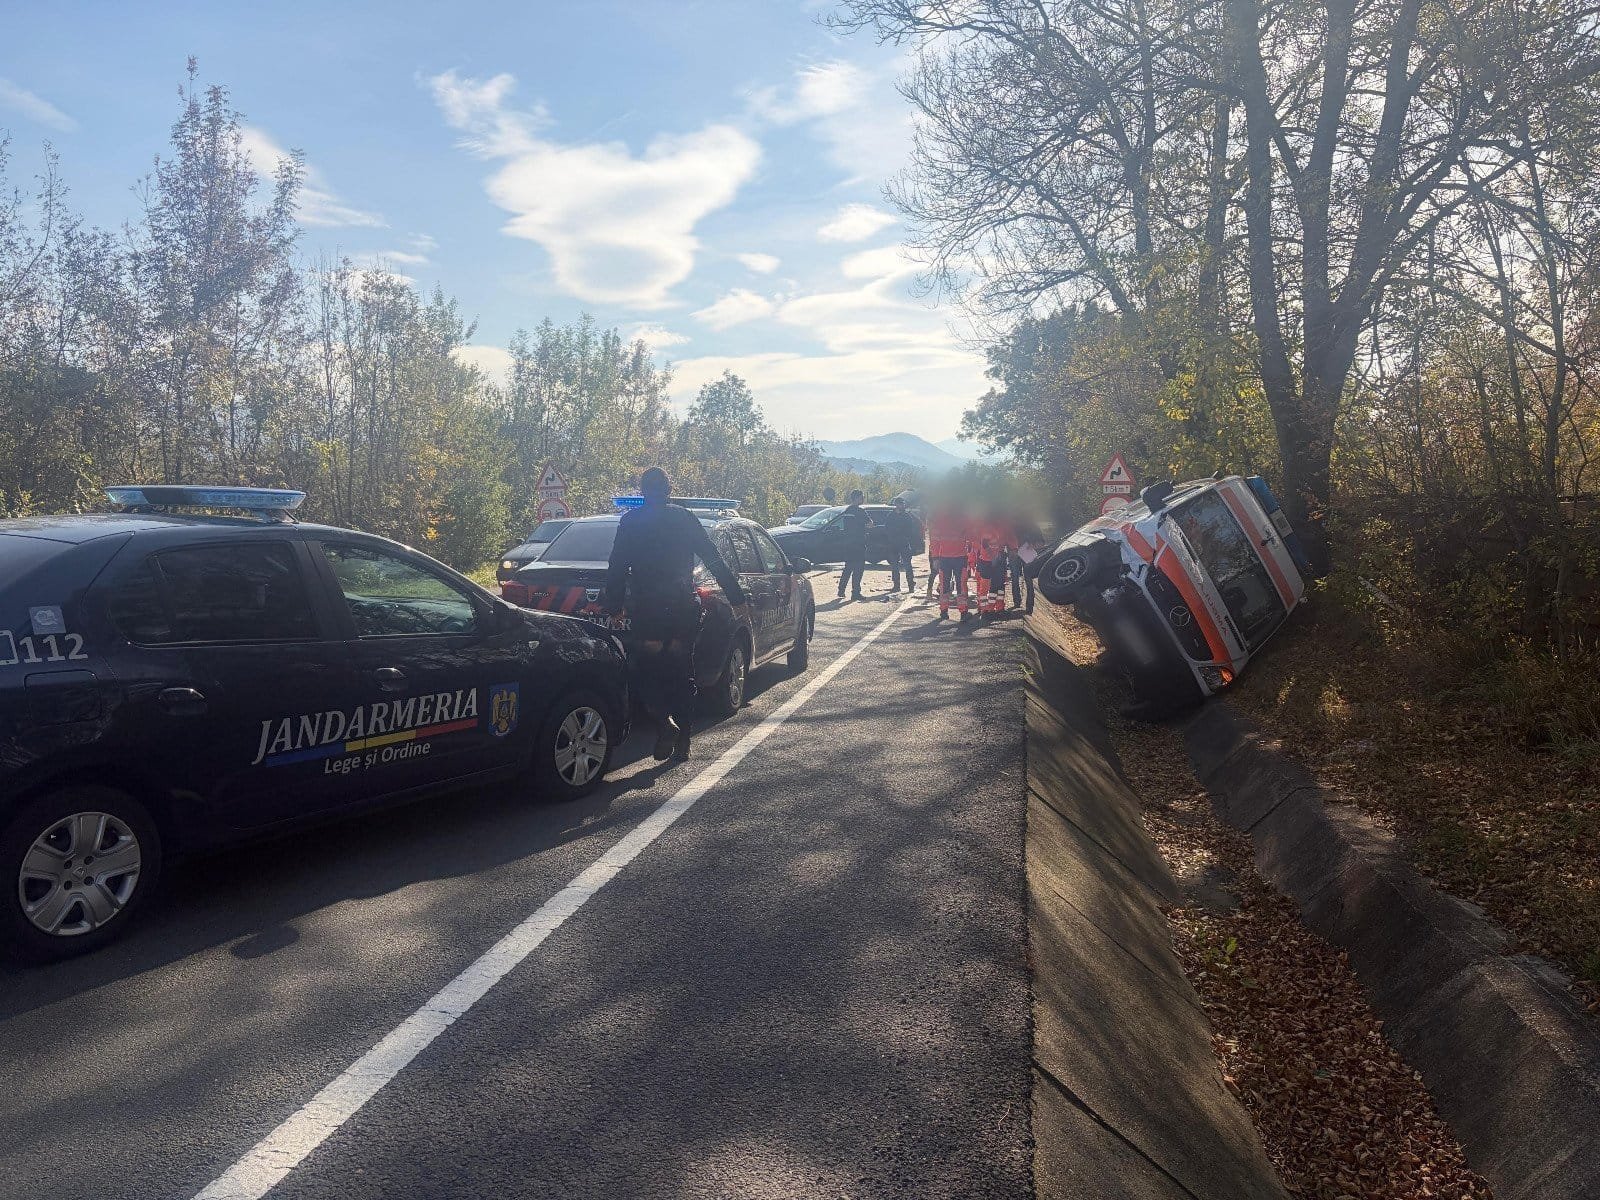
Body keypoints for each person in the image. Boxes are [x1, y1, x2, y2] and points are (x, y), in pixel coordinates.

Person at [604, 467, 747, 762]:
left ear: (642, 491)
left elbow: (616, 565)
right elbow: (712, 557)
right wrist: (736, 597)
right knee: (683, 672)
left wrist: (614, 606)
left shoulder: (631, 522)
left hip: (649, 610)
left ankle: (663, 723)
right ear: (668, 490)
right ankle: (684, 742)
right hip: (683, 607)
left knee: (646, 671)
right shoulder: (684, 518)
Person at [925, 504, 972, 620]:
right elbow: (971, 536)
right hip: (959, 558)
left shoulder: (941, 520)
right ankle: (963, 612)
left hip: (945, 558)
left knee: (944, 585)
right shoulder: (963, 519)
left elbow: (934, 541)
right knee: (961, 585)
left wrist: (935, 558)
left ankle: (944, 611)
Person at [836, 489, 871, 600]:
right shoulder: (860, 511)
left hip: (848, 543)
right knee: (858, 569)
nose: (863, 499)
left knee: (848, 568)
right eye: (862, 497)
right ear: (857, 498)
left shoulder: (847, 510)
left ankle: (841, 590)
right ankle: (855, 593)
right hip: (859, 544)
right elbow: (870, 524)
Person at [886, 496, 923, 593]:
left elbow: (911, 530)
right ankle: (896, 586)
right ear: (896, 504)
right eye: (900, 504)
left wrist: (909, 540)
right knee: (894, 565)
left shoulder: (907, 516)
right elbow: (887, 528)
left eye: (903, 504)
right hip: (893, 544)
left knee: (907, 565)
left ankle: (911, 585)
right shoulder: (891, 515)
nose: (902, 505)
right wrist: (891, 538)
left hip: (904, 543)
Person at [1011, 512, 1046, 614]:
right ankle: (1027, 606)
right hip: (1021, 551)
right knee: (1026, 579)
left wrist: (1032, 545)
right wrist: (1033, 545)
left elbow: (1041, 542)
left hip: (1019, 551)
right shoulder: (1032, 525)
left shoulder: (1014, 524)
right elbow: (1041, 541)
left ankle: (1019, 603)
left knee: (1018, 578)